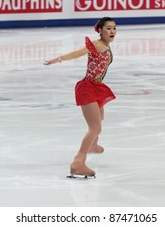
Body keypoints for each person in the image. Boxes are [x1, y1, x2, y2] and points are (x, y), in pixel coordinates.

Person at [43, 17, 116, 177]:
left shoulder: (105, 46)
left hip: (96, 87)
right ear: (100, 30)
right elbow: (77, 53)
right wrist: (59, 59)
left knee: (100, 117)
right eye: (108, 28)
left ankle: (93, 145)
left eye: (114, 28)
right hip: (88, 88)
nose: (112, 31)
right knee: (95, 127)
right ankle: (78, 162)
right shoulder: (96, 45)